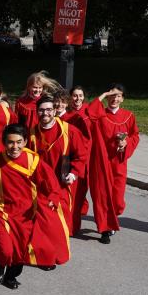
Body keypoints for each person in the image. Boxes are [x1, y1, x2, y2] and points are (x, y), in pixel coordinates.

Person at [0, 124, 70, 289]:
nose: (14, 146)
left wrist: (53, 196)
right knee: (5, 249)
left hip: (26, 213)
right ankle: (0, 265)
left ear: (25, 141)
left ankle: (11, 276)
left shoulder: (34, 160)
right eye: (10, 142)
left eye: (19, 142)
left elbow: (50, 181)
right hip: (0, 211)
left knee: (21, 250)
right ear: (4, 142)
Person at [86, 84, 139, 244]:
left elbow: (135, 135)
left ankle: (113, 218)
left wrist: (126, 143)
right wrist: (103, 93)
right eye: (112, 95)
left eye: (118, 96)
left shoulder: (129, 116)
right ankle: (105, 229)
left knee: (117, 198)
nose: (114, 99)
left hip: (119, 162)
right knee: (102, 196)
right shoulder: (101, 115)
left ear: (122, 99)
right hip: (102, 162)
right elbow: (90, 111)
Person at [27, 96, 88, 235]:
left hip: (63, 183)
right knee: (41, 221)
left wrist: (74, 173)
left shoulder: (69, 131)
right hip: (41, 184)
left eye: (49, 109)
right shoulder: (31, 134)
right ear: (37, 112)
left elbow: (81, 155)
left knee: (61, 221)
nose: (45, 113)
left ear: (55, 110)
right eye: (41, 110)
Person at [56, 90, 92, 235]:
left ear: (67, 103)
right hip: (55, 163)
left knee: (73, 199)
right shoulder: (48, 117)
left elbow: (84, 143)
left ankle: (71, 228)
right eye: (56, 102)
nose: (59, 105)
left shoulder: (74, 118)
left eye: (62, 102)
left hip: (70, 163)